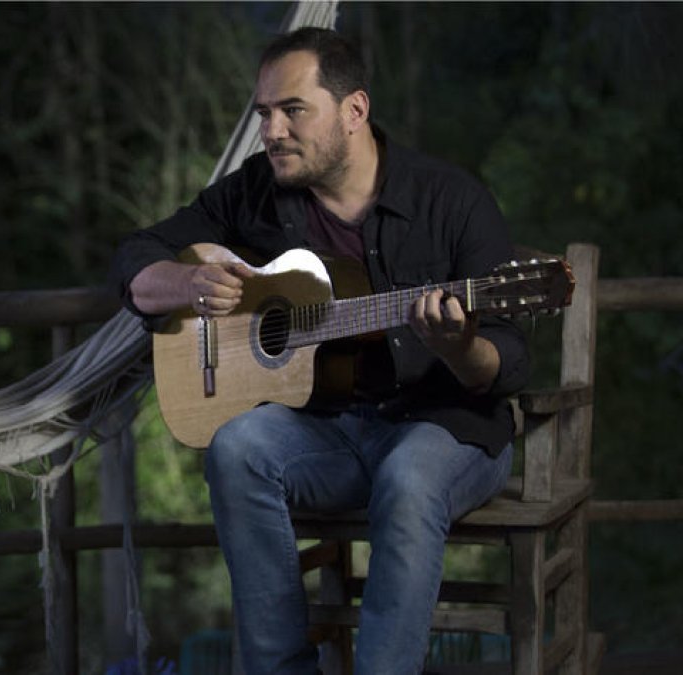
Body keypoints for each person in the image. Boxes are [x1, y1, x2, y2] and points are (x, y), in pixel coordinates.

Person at [110, 27, 530, 674]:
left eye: (292, 110)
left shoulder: (452, 200)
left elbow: (508, 361)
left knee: (409, 476)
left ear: (354, 110)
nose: (271, 131)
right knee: (237, 448)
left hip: (445, 428)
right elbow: (137, 255)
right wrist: (187, 282)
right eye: (264, 114)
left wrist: (460, 346)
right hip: (326, 432)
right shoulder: (255, 191)